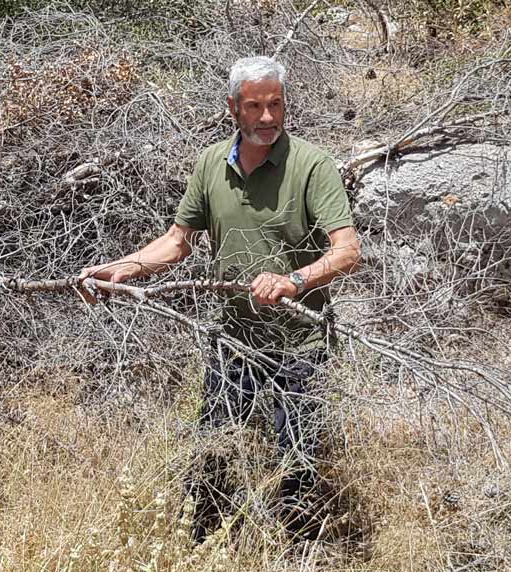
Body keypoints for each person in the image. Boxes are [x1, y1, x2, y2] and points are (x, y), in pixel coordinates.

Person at [80, 56, 360, 541]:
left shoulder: (313, 165)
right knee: (211, 452)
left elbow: (347, 251)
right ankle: (202, 547)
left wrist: (294, 279)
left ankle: (298, 562)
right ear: (233, 107)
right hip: (233, 340)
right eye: (255, 106)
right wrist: (124, 268)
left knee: (297, 459)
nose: (267, 117)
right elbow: (177, 240)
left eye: (276, 104)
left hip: (300, 344)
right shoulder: (211, 163)